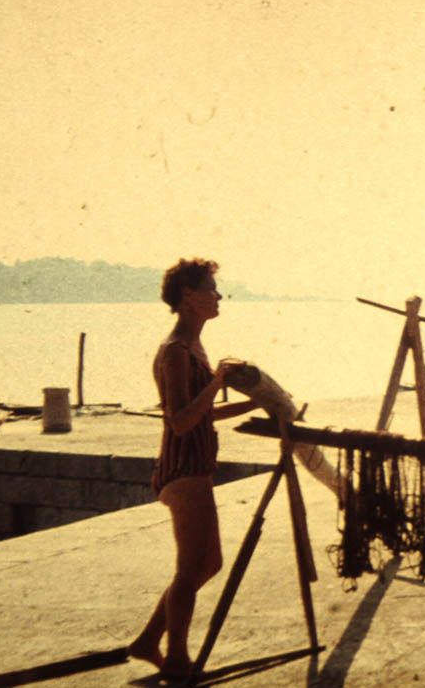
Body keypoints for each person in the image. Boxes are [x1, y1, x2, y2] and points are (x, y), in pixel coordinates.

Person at [128, 258, 260, 678]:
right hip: (182, 471)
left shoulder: (193, 349)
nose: (219, 296)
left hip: (195, 468)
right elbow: (180, 421)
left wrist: (257, 404)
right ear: (189, 296)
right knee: (190, 569)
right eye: (211, 288)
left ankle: (149, 639)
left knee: (209, 563)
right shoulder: (176, 352)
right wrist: (218, 381)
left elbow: (202, 415)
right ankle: (177, 659)